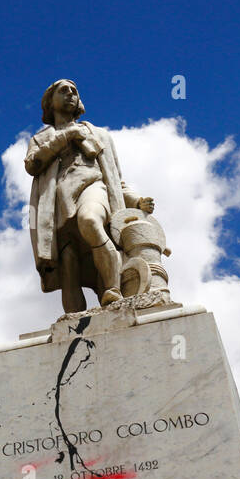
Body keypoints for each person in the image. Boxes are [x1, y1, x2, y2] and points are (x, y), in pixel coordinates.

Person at [25, 79, 155, 313]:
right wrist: (64, 137)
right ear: (50, 102)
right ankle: (74, 323)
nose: (70, 94)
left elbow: (115, 180)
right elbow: (33, 165)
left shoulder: (99, 135)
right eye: (63, 91)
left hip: (93, 187)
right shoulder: (40, 139)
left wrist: (135, 200)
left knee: (89, 220)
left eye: (74, 91)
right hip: (58, 202)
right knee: (68, 262)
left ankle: (112, 288)